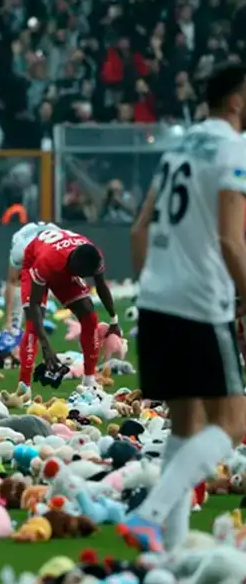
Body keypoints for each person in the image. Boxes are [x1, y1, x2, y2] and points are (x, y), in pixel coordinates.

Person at [119, 62, 246, 553]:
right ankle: (150, 514)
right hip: (199, 301)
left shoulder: (179, 146)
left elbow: (138, 229)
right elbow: (232, 242)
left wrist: (151, 288)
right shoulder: (234, 149)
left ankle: (166, 552)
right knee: (233, 423)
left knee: (186, 424)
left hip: (157, 298)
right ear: (235, 100)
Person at [18, 227, 121, 391]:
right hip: (35, 262)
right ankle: (24, 389)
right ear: (74, 265)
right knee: (33, 324)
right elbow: (35, 305)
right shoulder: (47, 261)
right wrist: (46, 346)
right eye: (80, 274)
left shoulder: (94, 257)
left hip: (63, 262)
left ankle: (89, 381)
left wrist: (114, 320)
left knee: (89, 313)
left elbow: (101, 285)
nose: (81, 279)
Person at [0, 222, 62, 356]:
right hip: (28, 236)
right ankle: (14, 326)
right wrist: (8, 319)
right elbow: (12, 281)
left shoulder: (61, 250)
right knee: (19, 284)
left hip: (54, 239)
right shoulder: (20, 249)